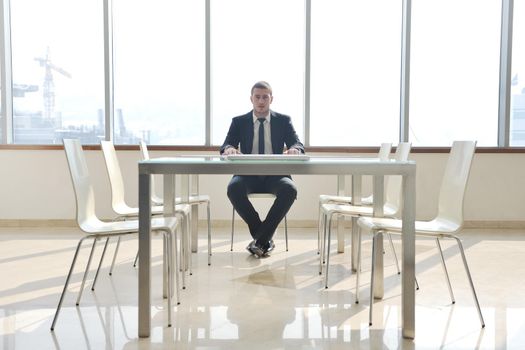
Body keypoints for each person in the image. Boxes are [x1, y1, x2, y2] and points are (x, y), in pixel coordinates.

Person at [220, 81, 305, 257]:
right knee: (233, 188)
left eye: (265, 97)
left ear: (271, 99)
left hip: (275, 175)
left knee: (290, 189)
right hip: (247, 175)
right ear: (251, 99)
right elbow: (227, 144)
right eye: (257, 97)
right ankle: (264, 239)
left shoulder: (283, 120)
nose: (261, 101)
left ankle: (260, 240)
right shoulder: (239, 121)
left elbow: (297, 143)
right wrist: (229, 148)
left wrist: (295, 148)